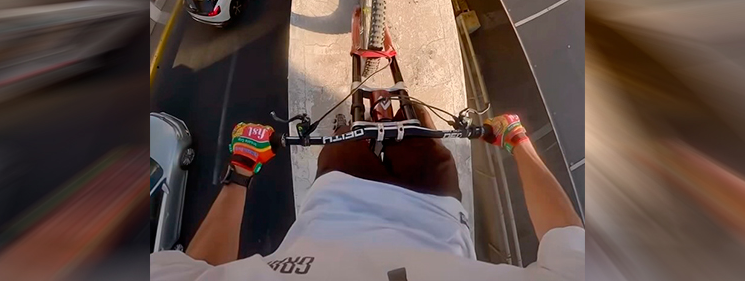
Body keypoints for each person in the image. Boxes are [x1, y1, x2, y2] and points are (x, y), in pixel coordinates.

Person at [150, 107, 584, 280]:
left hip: (339, 190)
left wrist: (242, 172)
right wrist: (518, 140)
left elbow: (195, 269)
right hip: (431, 200)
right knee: (413, 115)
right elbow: (566, 239)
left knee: (351, 128)